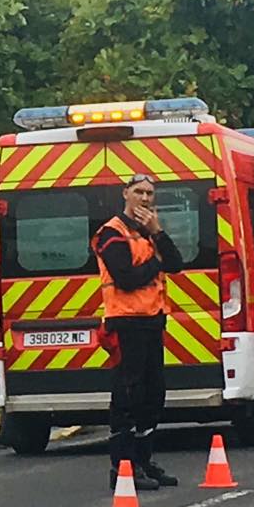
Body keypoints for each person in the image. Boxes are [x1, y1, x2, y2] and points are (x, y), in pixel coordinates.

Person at [97, 173, 187, 490]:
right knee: (127, 396)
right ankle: (122, 468)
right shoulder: (112, 233)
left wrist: (158, 234)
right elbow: (126, 278)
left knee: (153, 396)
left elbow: (175, 263)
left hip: (151, 322)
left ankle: (144, 461)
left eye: (150, 193)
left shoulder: (150, 234)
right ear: (126, 194)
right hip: (125, 323)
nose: (146, 199)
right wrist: (156, 262)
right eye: (139, 192)